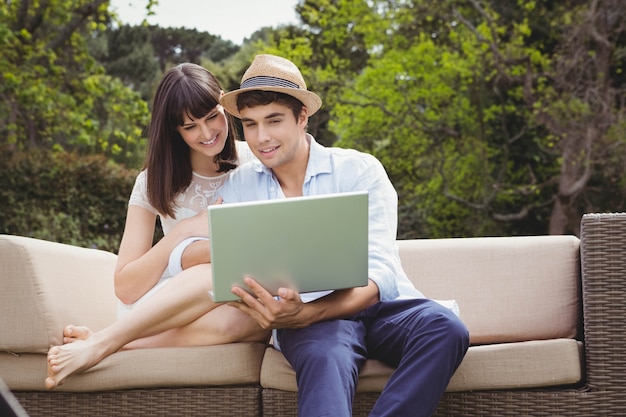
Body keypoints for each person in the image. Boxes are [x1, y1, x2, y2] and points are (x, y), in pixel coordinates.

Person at [215, 54, 470, 417]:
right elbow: (232, 273)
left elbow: (380, 271)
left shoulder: (359, 170)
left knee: (446, 328)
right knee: (326, 354)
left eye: (274, 121)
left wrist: (310, 312)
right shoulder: (238, 187)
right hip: (308, 324)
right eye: (251, 125)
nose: (261, 137)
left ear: (302, 117)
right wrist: (277, 310)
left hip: (380, 310)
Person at [45, 63, 270, 389]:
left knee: (250, 315)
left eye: (212, 117)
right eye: (191, 126)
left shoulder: (258, 161)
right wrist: (183, 230)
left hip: (238, 301)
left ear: (225, 105)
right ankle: (109, 341)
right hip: (174, 303)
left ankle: (109, 343)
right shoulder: (153, 182)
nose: (206, 134)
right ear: (174, 130)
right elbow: (126, 286)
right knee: (214, 271)